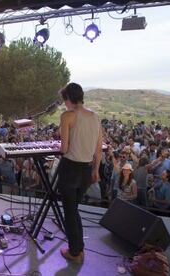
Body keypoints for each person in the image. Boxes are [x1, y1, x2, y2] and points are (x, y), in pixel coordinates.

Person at [57, 83, 103, 264]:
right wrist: (96, 170)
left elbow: (64, 148)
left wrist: (58, 145)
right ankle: (79, 247)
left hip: (70, 168)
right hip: (86, 170)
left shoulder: (67, 116)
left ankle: (74, 252)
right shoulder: (95, 116)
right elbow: (99, 149)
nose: (64, 103)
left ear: (68, 97)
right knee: (73, 209)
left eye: (64, 99)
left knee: (69, 212)